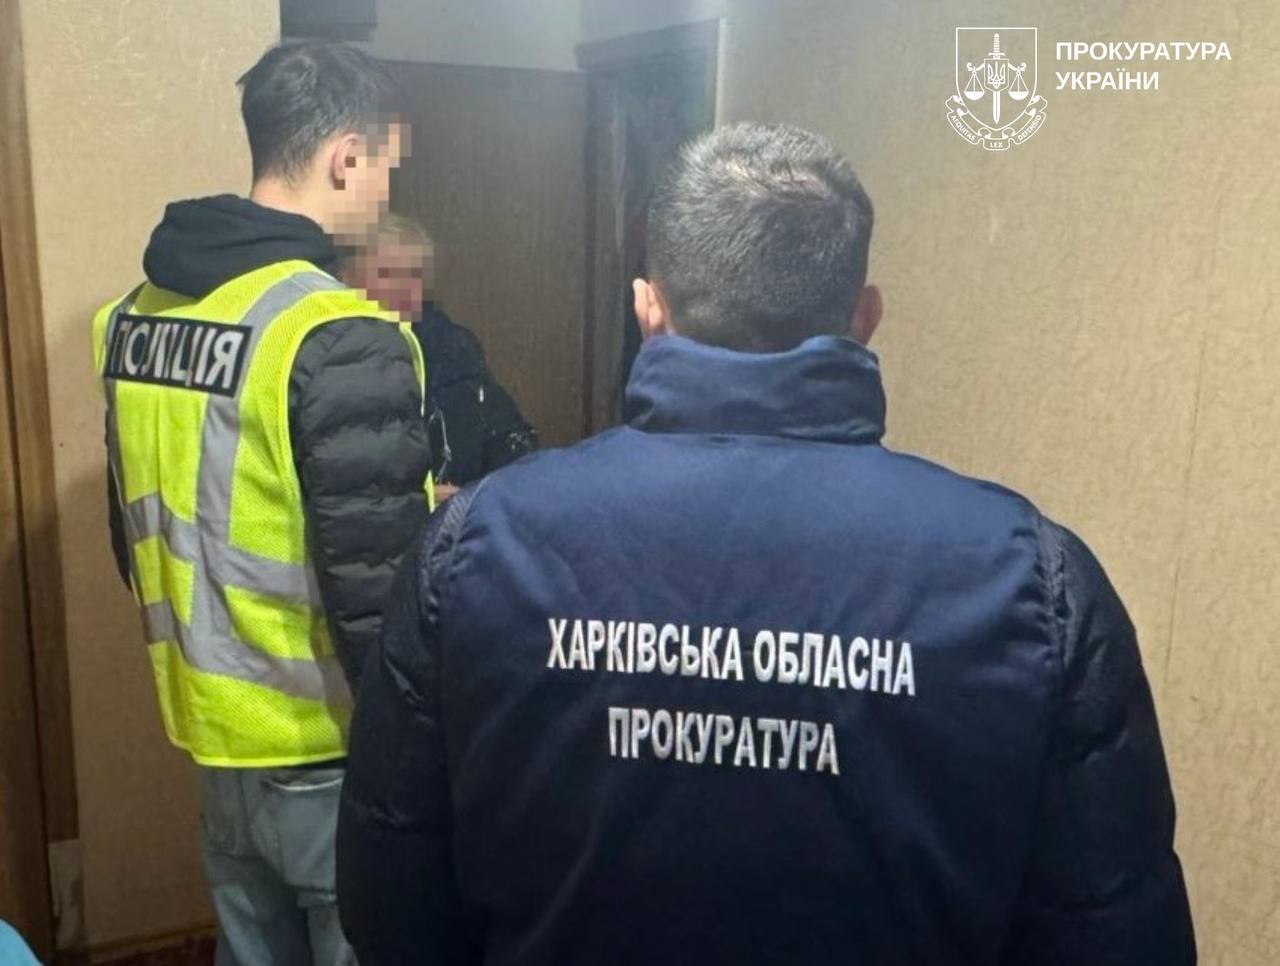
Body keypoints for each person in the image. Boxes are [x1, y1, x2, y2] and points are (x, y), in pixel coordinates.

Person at [336, 122, 1196, 965]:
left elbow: (393, 902)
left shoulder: (478, 546)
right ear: (865, 318)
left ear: (647, 310)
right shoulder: (1029, 581)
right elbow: (1112, 930)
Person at [92, 41, 431, 966]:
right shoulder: (337, 331)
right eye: (386, 168)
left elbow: (132, 535)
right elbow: (384, 597)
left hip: (211, 733)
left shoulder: (133, 318)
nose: (383, 195)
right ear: (347, 158)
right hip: (324, 745)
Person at [345, 214, 537, 498]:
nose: (402, 288)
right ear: (347, 278)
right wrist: (414, 498)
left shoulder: (454, 350)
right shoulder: (331, 358)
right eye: (386, 273)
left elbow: (511, 445)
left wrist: (475, 497)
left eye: (414, 275)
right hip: (376, 521)